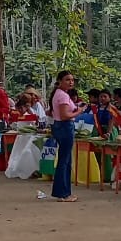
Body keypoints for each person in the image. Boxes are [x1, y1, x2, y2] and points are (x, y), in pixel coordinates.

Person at [48, 70, 86, 202]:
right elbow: (65, 116)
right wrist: (79, 111)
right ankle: (63, 193)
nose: (71, 82)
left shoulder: (59, 94)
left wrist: (76, 107)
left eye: (72, 80)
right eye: (67, 80)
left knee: (64, 159)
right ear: (60, 81)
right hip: (65, 127)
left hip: (59, 126)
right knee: (65, 161)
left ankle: (62, 192)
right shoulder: (62, 95)